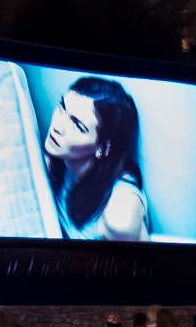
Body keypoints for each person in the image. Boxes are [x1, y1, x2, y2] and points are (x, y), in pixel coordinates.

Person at [43, 76, 150, 241]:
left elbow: (142, 265)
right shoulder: (60, 159)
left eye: (78, 125)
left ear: (103, 148)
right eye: (62, 107)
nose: (57, 126)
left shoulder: (120, 217)